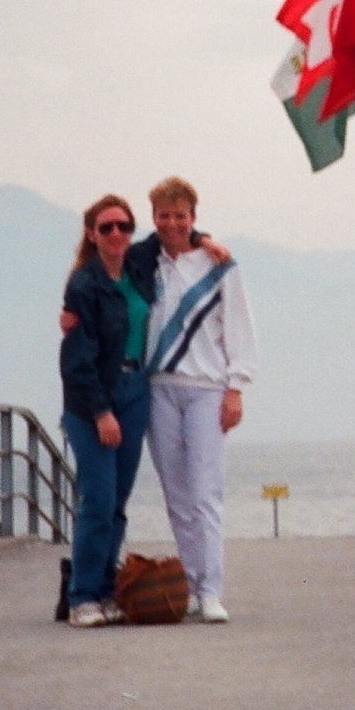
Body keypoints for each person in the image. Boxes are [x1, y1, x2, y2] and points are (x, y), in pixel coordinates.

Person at [57, 197, 226, 627]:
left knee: (117, 500)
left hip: (136, 391)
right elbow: (76, 359)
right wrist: (100, 412)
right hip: (95, 398)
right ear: (92, 234)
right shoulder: (83, 284)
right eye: (106, 227)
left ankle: (105, 590)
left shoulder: (136, 263)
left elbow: (172, 235)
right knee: (97, 498)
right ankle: (82, 597)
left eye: (123, 226)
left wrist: (206, 240)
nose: (116, 234)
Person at [142, 176, 258, 624]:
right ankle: (189, 585)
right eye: (164, 216)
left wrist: (236, 387)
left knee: (206, 492)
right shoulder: (145, 262)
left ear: (193, 217)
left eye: (180, 216)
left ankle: (212, 590)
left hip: (207, 390)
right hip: (158, 390)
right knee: (176, 494)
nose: (172, 223)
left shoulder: (220, 266)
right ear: (154, 218)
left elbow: (240, 329)